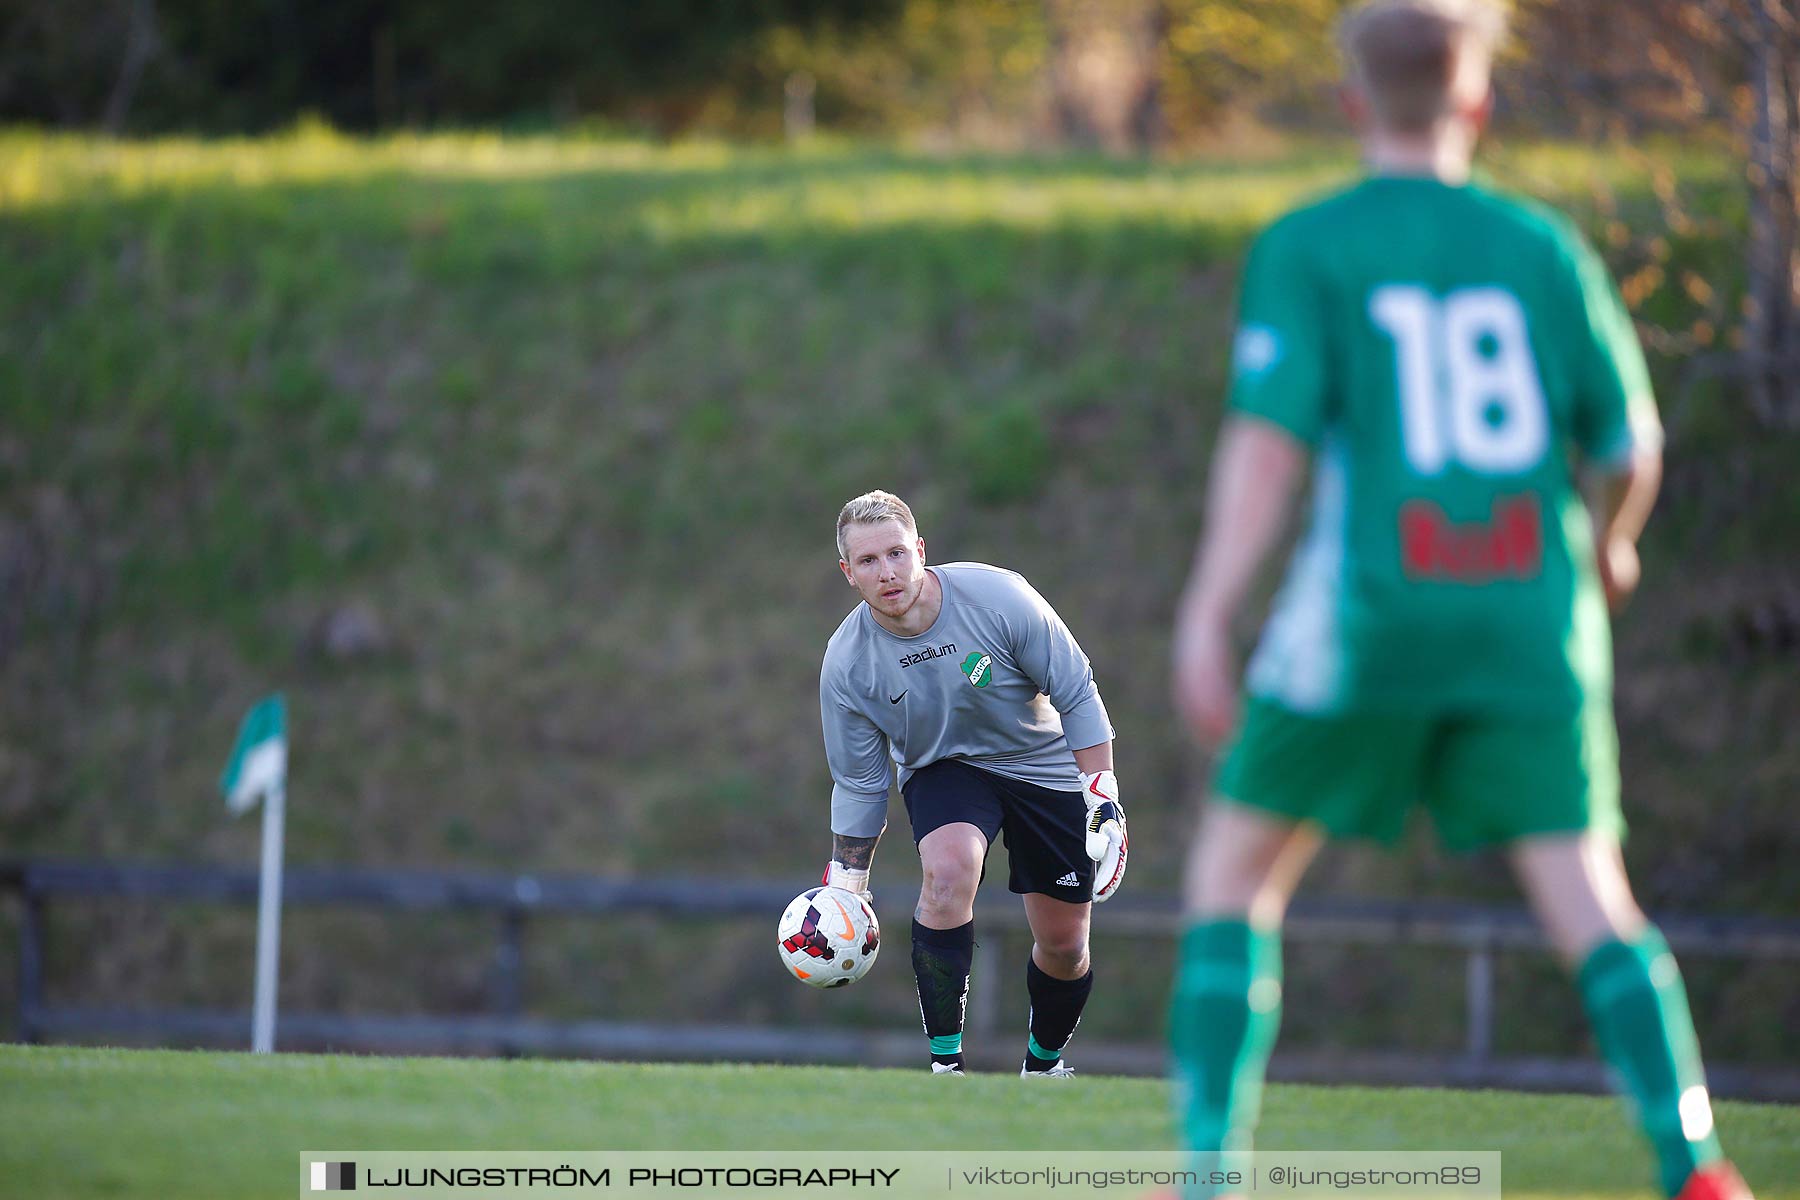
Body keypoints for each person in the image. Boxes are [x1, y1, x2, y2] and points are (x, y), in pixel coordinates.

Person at [1166, 2, 1753, 1197]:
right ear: (1478, 103)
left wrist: (1209, 607)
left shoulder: (1311, 245)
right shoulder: (1542, 248)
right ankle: (1694, 1168)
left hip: (1374, 615)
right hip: (1530, 617)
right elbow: (1630, 445)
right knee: (1592, 896)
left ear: (1352, 104)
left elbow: (1271, 448)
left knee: (1234, 880)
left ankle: (1212, 1176)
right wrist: (1612, 550)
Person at [818, 489, 1127, 1077]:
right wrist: (848, 878)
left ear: (921, 551)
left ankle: (1044, 1066)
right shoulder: (847, 663)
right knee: (948, 868)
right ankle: (945, 1068)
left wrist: (1103, 797)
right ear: (848, 573)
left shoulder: (999, 597)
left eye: (896, 553)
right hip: (943, 767)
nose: (887, 573)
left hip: (1045, 764)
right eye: (867, 562)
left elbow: (1076, 690)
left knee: (1065, 943)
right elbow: (859, 781)